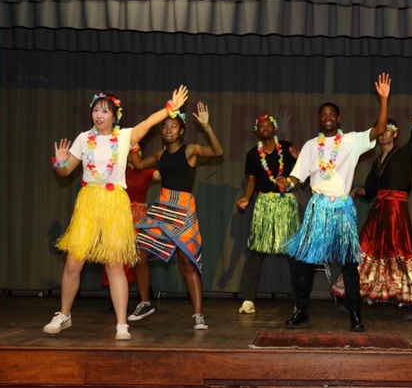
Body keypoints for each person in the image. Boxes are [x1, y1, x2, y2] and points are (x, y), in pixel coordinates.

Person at [45, 86, 189, 341]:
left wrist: (170, 109)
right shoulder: (83, 138)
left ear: (114, 116)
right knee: (73, 262)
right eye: (96, 110)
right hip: (88, 202)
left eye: (104, 111)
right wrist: (60, 161)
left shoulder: (123, 137)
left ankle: (122, 324)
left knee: (114, 265)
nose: (98, 115)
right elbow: (65, 173)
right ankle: (64, 314)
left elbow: (148, 123)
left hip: (114, 203)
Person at [278, 73, 391, 332]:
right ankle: (301, 310)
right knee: (304, 264)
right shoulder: (310, 146)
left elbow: (379, 130)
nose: (327, 117)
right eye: (323, 114)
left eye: (332, 114)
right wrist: (287, 183)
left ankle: (355, 315)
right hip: (318, 209)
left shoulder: (351, 140)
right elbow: (297, 177)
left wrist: (384, 100)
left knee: (349, 265)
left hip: (341, 210)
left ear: (338, 119)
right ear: (319, 119)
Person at [128, 101, 224, 330]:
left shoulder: (190, 150)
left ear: (181, 130)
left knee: (187, 262)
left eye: (173, 126)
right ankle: (145, 303)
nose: (168, 130)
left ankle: (198, 314)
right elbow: (139, 165)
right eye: (164, 126)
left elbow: (218, 152)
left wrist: (207, 127)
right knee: (139, 254)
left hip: (182, 208)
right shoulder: (160, 154)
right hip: (162, 206)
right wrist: (132, 143)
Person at [332, 114, 412, 318]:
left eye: (388, 131)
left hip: (396, 209)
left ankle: (410, 302)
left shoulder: (403, 153)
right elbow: (370, 189)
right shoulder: (377, 161)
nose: (384, 134)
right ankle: (352, 296)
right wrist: (358, 191)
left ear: (395, 134)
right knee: (366, 247)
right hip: (379, 209)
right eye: (381, 131)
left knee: (398, 250)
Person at [236, 114, 299, 314]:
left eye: (268, 125)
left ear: (275, 128)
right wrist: (246, 198)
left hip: (285, 204)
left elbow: (301, 170)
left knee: (293, 253)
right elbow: (252, 181)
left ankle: (300, 299)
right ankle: (248, 300)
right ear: (257, 131)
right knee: (256, 253)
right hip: (264, 204)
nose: (265, 128)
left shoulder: (287, 148)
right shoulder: (252, 154)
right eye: (261, 126)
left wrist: (298, 158)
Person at [101, 147, 159, 310]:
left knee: (139, 257)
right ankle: (116, 299)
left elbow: (167, 174)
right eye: (131, 150)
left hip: (139, 218)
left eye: (137, 151)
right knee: (117, 256)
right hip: (119, 215)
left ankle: (144, 298)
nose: (134, 154)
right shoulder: (118, 171)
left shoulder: (148, 172)